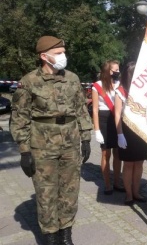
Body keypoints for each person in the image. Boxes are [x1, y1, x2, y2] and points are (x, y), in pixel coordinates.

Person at [10, 36, 92, 245]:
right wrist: (24, 151)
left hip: (70, 144)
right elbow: (20, 118)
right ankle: (50, 237)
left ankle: (66, 235)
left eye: (63, 52)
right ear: (44, 56)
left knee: (70, 191)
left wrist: (86, 138)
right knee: (46, 193)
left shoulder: (72, 79)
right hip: (42, 146)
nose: (63, 56)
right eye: (58, 53)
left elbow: (81, 109)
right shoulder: (29, 81)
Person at [114, 62, 147, 206]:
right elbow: (117, 114)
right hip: (127, 131)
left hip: (141, 131)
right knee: (128, 164)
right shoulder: (121, 91)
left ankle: (136, 191)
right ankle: (128, 194)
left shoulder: (145, 90)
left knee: (139, 163)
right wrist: (120, 134)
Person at [92, 60, 124, 195]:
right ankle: (107, 183)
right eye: (114, 70)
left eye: (118, 69)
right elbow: (94, 110)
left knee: (118, 153)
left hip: (117, 120)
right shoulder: (97, 86)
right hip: (104, 119)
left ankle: (117, 182)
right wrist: (97, 130)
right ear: (107, 71)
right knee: (106, 153)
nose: (117, 72)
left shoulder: (119, 84)